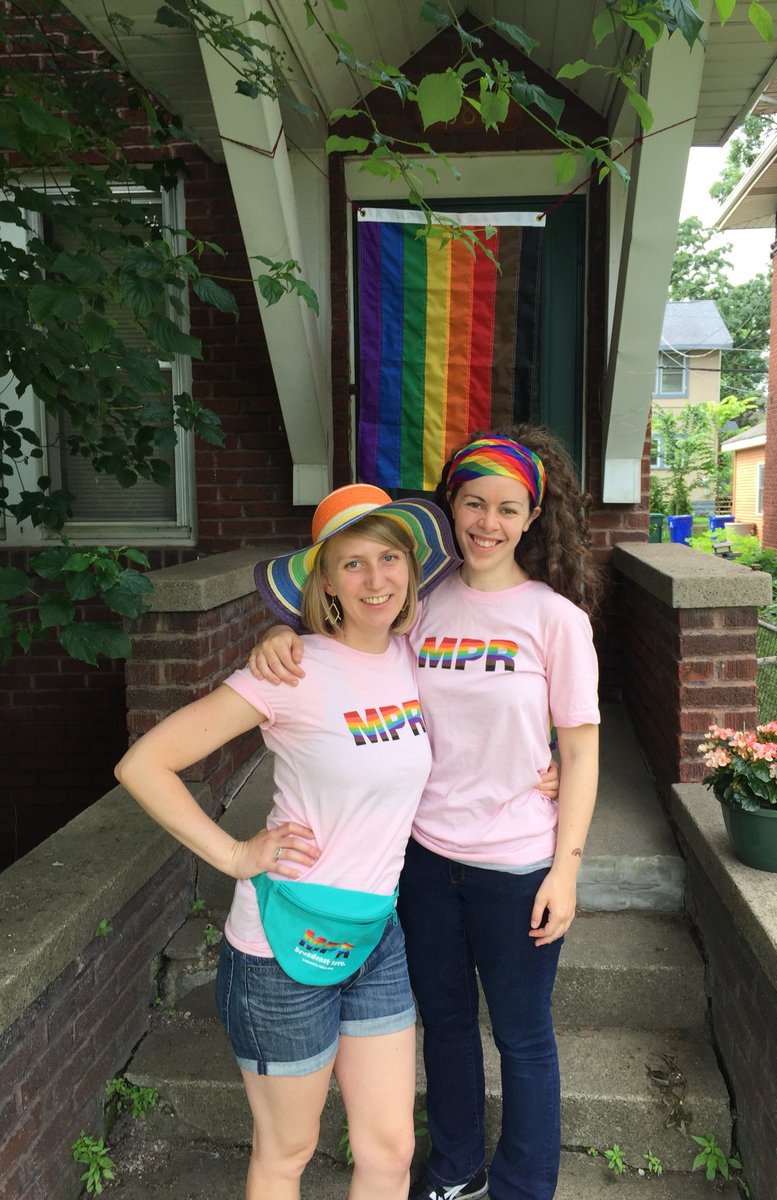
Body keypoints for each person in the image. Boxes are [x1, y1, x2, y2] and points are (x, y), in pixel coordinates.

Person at [249, 426, 602, 1200]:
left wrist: (566, 870)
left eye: (508, 508)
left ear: (532, 517)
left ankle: (522, 1187)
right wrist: (281, 635)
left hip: (517, 864)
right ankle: (454, 1173)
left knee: (522, 1037)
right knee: (442, 1025)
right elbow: (345, 642)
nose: (488, 522)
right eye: (473, 502)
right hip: (423, 859)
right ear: (452, 506)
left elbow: (581, 753)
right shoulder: (419, 603)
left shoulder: (555, 620)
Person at [115, 483, 460, 1200]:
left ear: (410, 568)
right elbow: (143, 764)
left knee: (392, 1149)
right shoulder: (291, 669)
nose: (376, 578)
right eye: (354, 563)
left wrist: (542, 772)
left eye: (389, 557)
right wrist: (235, 855)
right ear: (325, 582)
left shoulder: (411, 655)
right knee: (288, 1151)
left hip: (374, 935)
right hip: (280, 951)